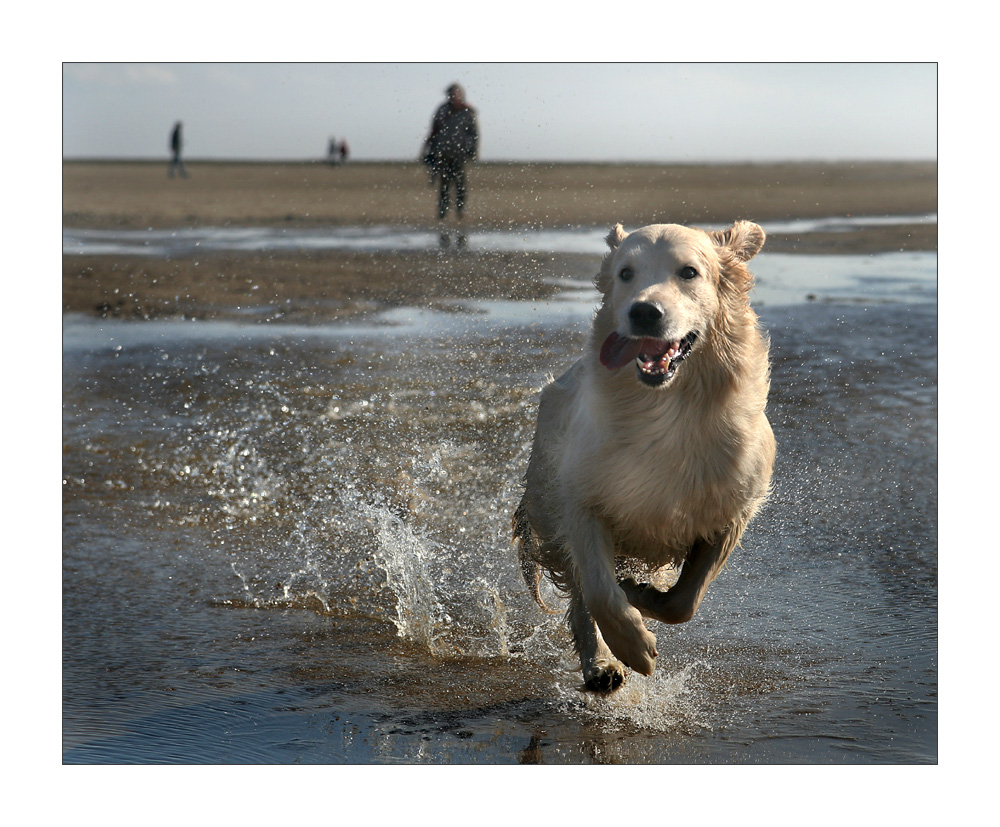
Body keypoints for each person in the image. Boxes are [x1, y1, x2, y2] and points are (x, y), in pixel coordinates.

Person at [422, 84, 478, 226]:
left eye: (456, 94)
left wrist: (472, 150)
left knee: (460, 184)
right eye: (451, 94)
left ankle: (461, 211)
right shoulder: (442, 110)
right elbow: (434, 131)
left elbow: (474, 133)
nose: (453, 97)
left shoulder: (467, 112)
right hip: (443, 153)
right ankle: (442, 213)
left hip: (459, 153)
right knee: (444, 185)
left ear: (461, 95)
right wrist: (428, 150)